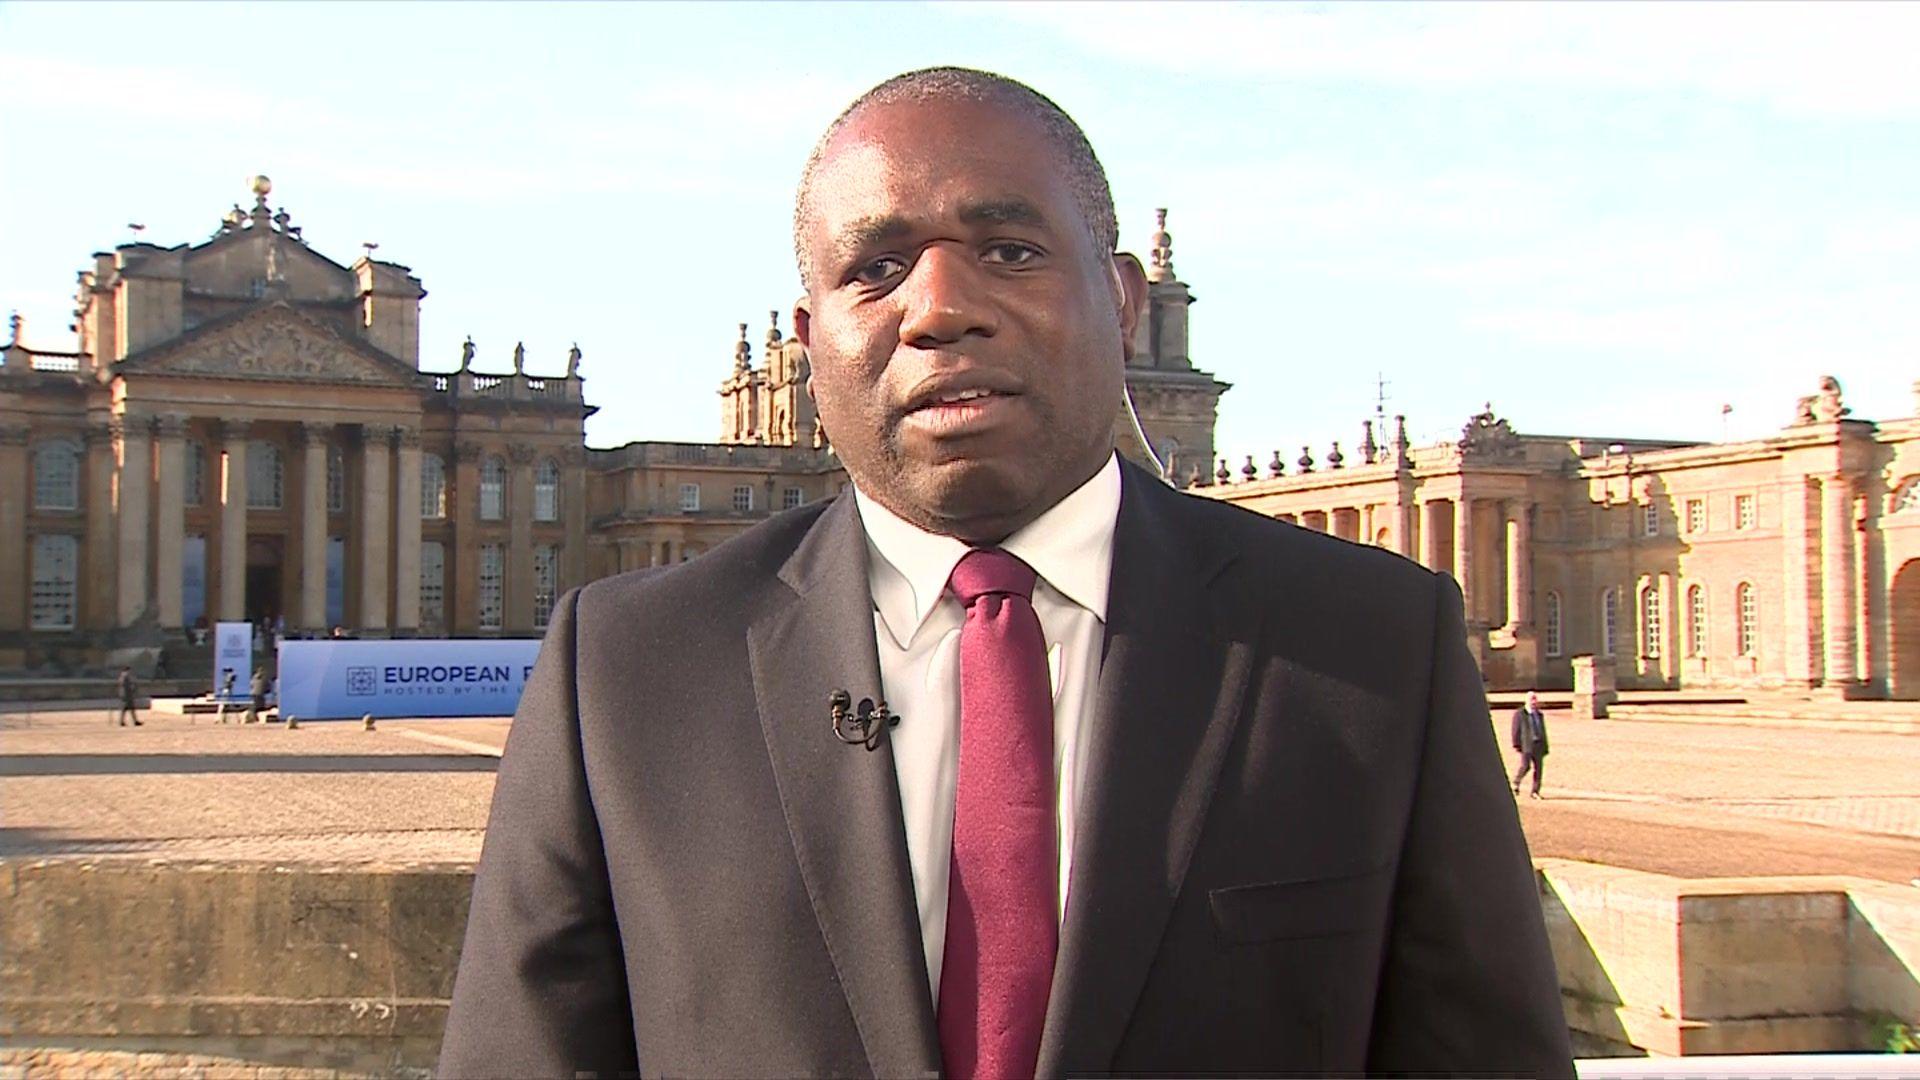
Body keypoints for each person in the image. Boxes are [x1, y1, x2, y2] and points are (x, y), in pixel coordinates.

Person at [440, 67, 1572, 1078]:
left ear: (1123, 303)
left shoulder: (1367, 648)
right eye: (877, 268)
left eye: (1010, 252)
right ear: (808, 340)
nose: (940, 308)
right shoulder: (628, 671)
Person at [1512, 689, 1551, 798]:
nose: (1534, 702)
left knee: (1538, 769)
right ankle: (1516, 782)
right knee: (1525, 766)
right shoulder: (1520, 714)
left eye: (1535, 699)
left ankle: (1535, 791)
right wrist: (1517, 744)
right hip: (1527, 745)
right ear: (1527, 701)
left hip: (1538, 744)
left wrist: (1545, 746)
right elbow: (1516, 730)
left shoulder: (1539, 714)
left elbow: (1542, 730)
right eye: (1531, 700)